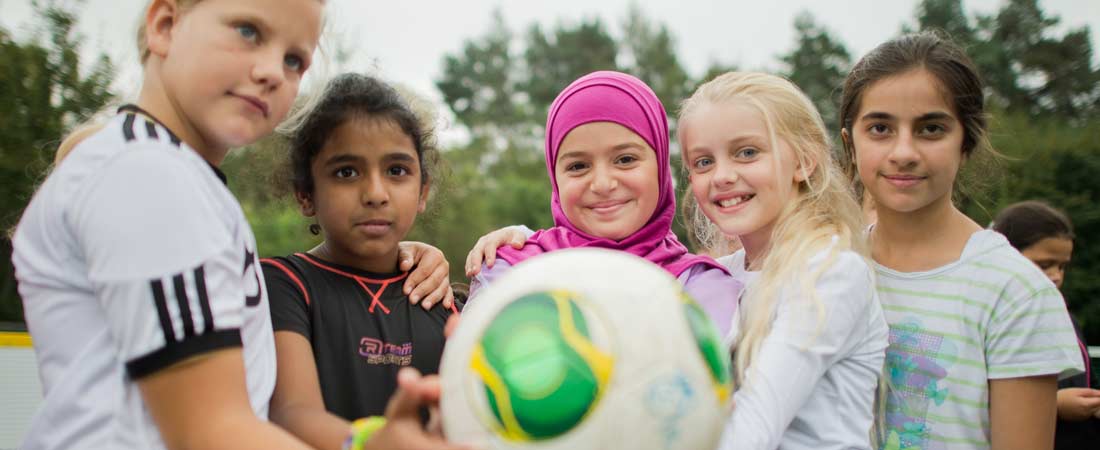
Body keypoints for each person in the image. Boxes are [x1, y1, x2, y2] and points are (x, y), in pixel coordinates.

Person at [11, 1, 457, 449]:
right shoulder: (149, 175)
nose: (271, 73)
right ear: (164, 26)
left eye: (294, 60)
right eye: (248, 32)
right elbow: (210, 432)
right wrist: (365, 445)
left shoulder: (161, 173)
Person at [838, 31, 1083, 449]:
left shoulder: (1016, 292)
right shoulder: (826, 268)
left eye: (930, 129)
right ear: (850, 142)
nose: (904, 151)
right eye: (880, 127)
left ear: (966, 143)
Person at [679, 71, 888, 449]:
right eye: (704, 162)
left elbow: (753, 429)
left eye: (747, 152)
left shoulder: (830, 273)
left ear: (804, 161)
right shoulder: (719, 277)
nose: (723, 176)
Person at [261, 73, 459, 449]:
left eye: (397, 171)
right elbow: (291, 414)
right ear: (306, 194)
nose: (375, 193)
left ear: (422, 191)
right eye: (346, 172)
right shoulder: (283, 285)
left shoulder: (443, 299)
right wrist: (374, 442)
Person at [463, 70, 741, 336]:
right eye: (578, 166)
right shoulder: (507, 273)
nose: (603, 184)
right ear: (554, 177)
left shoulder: (701, 287)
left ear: (660, 164)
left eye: (625, 159)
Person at [992, 200, 1100, 449]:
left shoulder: (1064, 317)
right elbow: (979, 400)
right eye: (1043, 265)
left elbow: (1087, 379)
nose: (1056, 275)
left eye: (1062, 266)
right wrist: (1056, 404)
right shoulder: (995, 321)